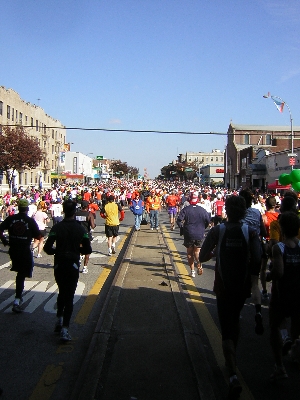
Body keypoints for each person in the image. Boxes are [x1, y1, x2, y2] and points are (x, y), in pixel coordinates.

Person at [199, 195, 260, 398]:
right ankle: (232, 356)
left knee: (226, 325)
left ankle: (232, 372)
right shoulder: (250, 232)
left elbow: (201, 256)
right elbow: (258, 259)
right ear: (244, 211)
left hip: (222, 286)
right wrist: (253, 279)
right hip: (242, 287)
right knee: (235, 320)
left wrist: (215, 253)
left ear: (226, 210)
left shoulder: (218, 230)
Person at [43, 200, 92, 342]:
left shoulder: (56, 228)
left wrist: (57, 251)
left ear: (63, 211)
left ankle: (59, 319)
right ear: (74, 212)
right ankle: (65, 329)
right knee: (69, 296)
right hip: (73, 264)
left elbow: (47, 248)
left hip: (59, 263)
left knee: (61, 291)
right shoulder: (81, 229)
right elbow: (88, 249)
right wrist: (77, 250)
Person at [267, 211, 300, 380]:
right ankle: (295, 352)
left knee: (275, 327)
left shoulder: (278, 248)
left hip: (281, 294)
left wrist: (268, 275)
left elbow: (279, 271)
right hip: (298, 294)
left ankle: (279, 366)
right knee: (296, 325)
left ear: (282, 229)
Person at [0, 199, 41, 313]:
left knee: (20, 272)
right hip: (24, 250)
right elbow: (38, 235)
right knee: (22, 274)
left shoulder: (11, 218)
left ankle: (18, 297)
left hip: (13, 249)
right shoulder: (29, 221)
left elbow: (0, 228)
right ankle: (17, 300)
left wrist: (4, 239)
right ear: (27, 209)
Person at [239, 189, 267, 335]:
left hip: (242, 249)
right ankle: (258, 311)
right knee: (254, 283)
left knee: (240, 282)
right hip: (256, 248)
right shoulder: (256, 212)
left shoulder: (238, 214)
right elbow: (264, 231)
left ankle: (237, 312)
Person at [177, 192, 210, 278]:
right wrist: (203, 227)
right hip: (200, 233)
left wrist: (182, 227)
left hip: (189, 233)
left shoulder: (186, 209)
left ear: (189, 199)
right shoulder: (202, 210)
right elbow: (208, 220)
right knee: (197, 251)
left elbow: (179, 220)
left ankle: (192, 271)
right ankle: (199, 263)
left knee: (189, 252)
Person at [75, 200, 95, 273]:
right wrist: (94, 225)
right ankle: (85, 267)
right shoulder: (89, 214)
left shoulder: (76, 214)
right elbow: (93, 226)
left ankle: (79, 258)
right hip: (86, 234)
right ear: (87, 206)